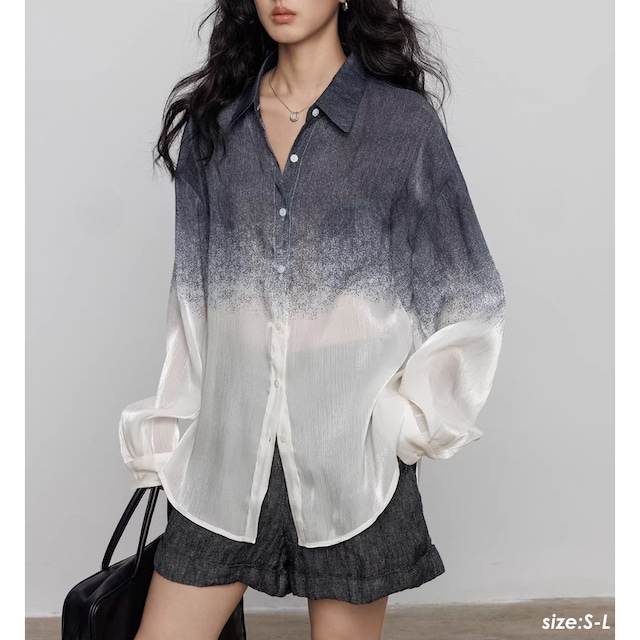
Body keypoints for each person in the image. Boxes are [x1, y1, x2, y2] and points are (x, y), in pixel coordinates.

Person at [122, 1, 507, 638]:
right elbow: (192, 301)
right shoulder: (215, 126)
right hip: (225, 461)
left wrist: (411, 424)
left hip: (352, 465)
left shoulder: (401, 125)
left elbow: (470, 292)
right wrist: (169, 428)